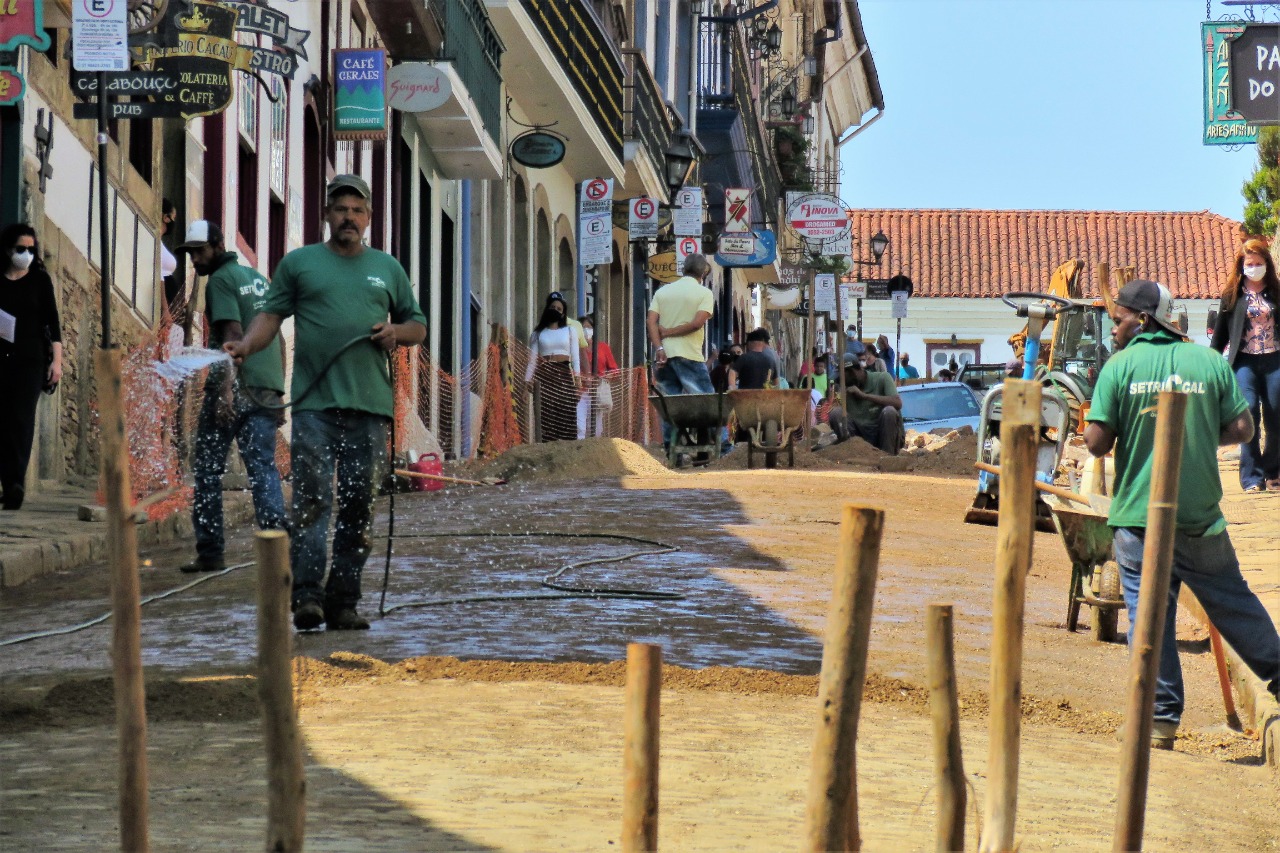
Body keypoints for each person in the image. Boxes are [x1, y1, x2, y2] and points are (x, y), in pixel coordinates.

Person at [225, 174, 426, 632]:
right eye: (340, 209)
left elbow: (417, 324)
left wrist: (396, 333)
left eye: (357, 210)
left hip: (371, 410)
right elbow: (270, 316)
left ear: (368, 219)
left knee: (359, 507)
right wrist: (246, 347)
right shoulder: (300, 264)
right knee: (313, 502)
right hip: (315, 407)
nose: (348, 217)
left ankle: (345, 601)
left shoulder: (387, 269)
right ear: (327, 215)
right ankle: (308, 596)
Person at [1085, 279, 1279, 748]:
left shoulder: (1120, 365)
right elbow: (1243, 426)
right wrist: (1194, 437)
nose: (1113, 329)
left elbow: (1096, 442)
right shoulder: (1208, 362)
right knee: (1234, 604)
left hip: (1137, 519)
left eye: (1119, 319)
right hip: (1198, 518)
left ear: (1144, 319)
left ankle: (1160, 719)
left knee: (1148, 618)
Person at [175, 221, 288, 573]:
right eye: (190, 253)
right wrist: (278, 393)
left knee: (207, 469)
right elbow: (279, 339)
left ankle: (210, 552)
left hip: (235, 387)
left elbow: (233, 335)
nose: (194, 260)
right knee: (263, 470)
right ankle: (277, 549)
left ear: (218, 245)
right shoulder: (258, 279)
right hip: (266, 387)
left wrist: (225, 391)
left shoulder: (221, 281)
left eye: (199, 251)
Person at [0, 224, 61, 510]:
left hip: (30, 361)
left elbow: (53, 324)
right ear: (8, 249)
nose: (26, 254)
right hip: (1, 358)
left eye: (31, 249)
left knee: (21, 421)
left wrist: (57, 362)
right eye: (20, 249)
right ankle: (6, 480)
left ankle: (15, 483)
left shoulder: (39, 281)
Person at [1210, 238, 1279, 493]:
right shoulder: (1232, 296)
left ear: (1266, 265)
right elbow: (1220, 335)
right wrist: (1211, 363)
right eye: (1250, 264)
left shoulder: (1277, 292)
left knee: (1276, 416)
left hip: (1275, 359)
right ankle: (1252, 477)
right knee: (1247, 412)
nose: (1254, 267)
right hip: (1244, 362)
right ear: (1242, 266)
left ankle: (1273, 472)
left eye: (1259, 263)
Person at [647, 253, 716, 448]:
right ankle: (723, 445)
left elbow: (650, 321)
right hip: (690, 356)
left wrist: (659, 346)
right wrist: (668, 332)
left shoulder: (663, 291)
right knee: (708, 402)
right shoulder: (704, 293)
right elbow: (696, 324)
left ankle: (671, 448)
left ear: (683, 269)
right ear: (703, 272)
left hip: (664, 356)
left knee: (670, 407)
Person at [828, 352, 904, 454]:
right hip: (861, 437)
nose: (840, 381)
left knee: (889, 411)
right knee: (836, 413)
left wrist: (864, 396)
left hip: (883, 435)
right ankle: (852, 456)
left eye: (842, 377)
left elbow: (897, 403)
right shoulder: (846, 390)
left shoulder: (882, 378)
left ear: (852, 372)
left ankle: (887, 458)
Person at [525, 304, 581, 441]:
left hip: (563, 372)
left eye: (559, 309)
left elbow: (575, 357)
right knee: (546, 412)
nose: (555, 310)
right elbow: (532, 361)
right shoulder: (537, 334)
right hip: (545, 374)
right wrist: (526, 380)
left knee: (566, 409)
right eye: (552, 307)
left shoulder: (569, 331)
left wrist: (578, 380)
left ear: (563, 313)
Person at [576, 316, 618, 438]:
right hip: (580, 391)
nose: (586, 330)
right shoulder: (575, 347)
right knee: (580, 426)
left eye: (589, 327)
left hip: (597, 391)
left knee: (596, 429)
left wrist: (605, 377)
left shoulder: (602, 347)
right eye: (583, 327)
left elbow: (614, 369)